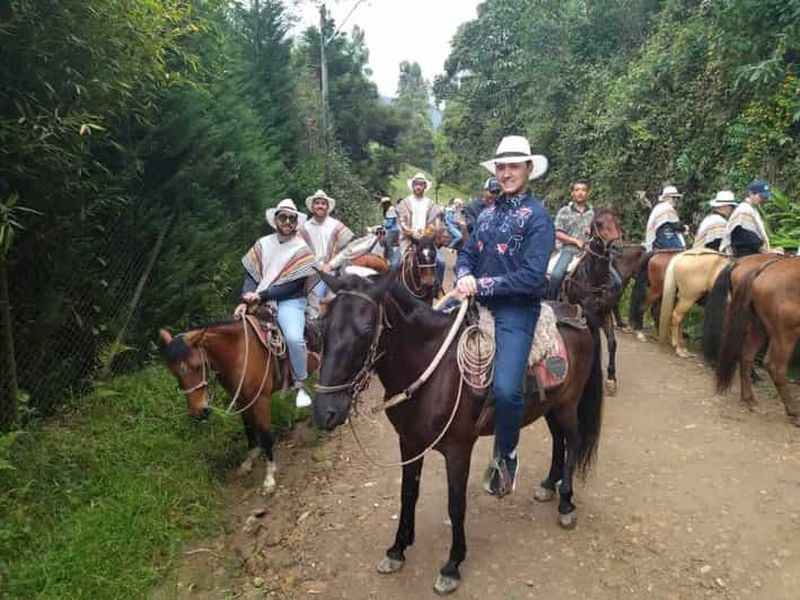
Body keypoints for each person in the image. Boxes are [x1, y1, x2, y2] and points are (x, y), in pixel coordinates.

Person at [452, 135, 554, 497]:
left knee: (508, 389)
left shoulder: (539, 219)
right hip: (476, 301)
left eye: (514, 166)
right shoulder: (488, 213)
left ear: (529, 169)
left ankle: (506, 455)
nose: (507, 173)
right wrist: (463, 273)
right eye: (501, 166)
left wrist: (479, 285)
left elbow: (530, 277)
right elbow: (467, 253)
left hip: (516, 309)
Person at [235, 199, 318, 408]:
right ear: (276, 219)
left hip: (290, 301)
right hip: (259, 298)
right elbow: (251, 276)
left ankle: (300, 383)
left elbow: (293, 285)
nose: (287, 221)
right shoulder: (262, 244)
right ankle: (240, 383)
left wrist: (260, 296)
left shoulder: (302, 249)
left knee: (293, 338)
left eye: (291, 218)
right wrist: (246, 297)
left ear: (296, 222)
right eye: (283, 217)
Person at [298, 189, 354, 298]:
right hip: (310, 273)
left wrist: (331, 264)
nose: (320, 206)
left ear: (327, 207)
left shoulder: (337, 226)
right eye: (317, 203)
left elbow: (348, 250)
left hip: (333, 272)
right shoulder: (304, 229)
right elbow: (299, 252)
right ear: (312, 206)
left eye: (323, 203)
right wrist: (316, 266)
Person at [547, 180, 594, 299]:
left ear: (588, 193)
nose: (580, 193)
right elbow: (557, 232)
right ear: (572, 193)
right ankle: (552, 302)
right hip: (569, 250)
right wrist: (575, 241)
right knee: (557, 275)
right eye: (577, 190)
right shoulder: (565, 211)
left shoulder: (593, 212)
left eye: (583, 190)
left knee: (613, 277)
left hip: (590, 252)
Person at [396, 171, 445, 281]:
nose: (418, 187)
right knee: (395, 264)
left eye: (420, 184)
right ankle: (393, 292)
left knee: (441, 263)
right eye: (416, 184)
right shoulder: (404, 203)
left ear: (425, 187)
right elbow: (402, 222)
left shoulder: (432, 205)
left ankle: (437, 290)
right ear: (412, 186)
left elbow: (435, 224)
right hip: (408, 240)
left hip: (427, 242)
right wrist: (412, 233)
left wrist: (425, 234)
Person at [720, 181, 772, 257]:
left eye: (765, 197)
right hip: (745, 253)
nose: (763, 200)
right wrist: (760, 247)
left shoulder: (753, 209)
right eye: (761, 196)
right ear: (751, 193)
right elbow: (744, 233)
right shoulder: (744, 209)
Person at [643, 185, 687, 252]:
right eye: (673, 197)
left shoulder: (658, 207)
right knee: (682, 252)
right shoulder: (668, 208)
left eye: (677, 198)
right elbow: (676, 226)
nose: (676, 200)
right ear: (667, 197)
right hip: (667, 238)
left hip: (657, 239)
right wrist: (685, 228)